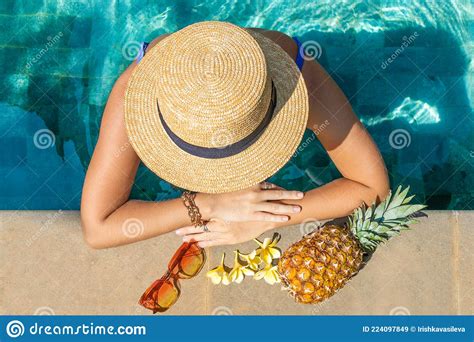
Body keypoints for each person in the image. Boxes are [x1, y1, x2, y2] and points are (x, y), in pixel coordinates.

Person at [80, 21, 389, 249]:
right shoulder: (133, 98)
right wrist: (208, 204)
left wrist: (265, 217)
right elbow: (99, 228)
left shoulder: (296, 81)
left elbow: (373, 187)